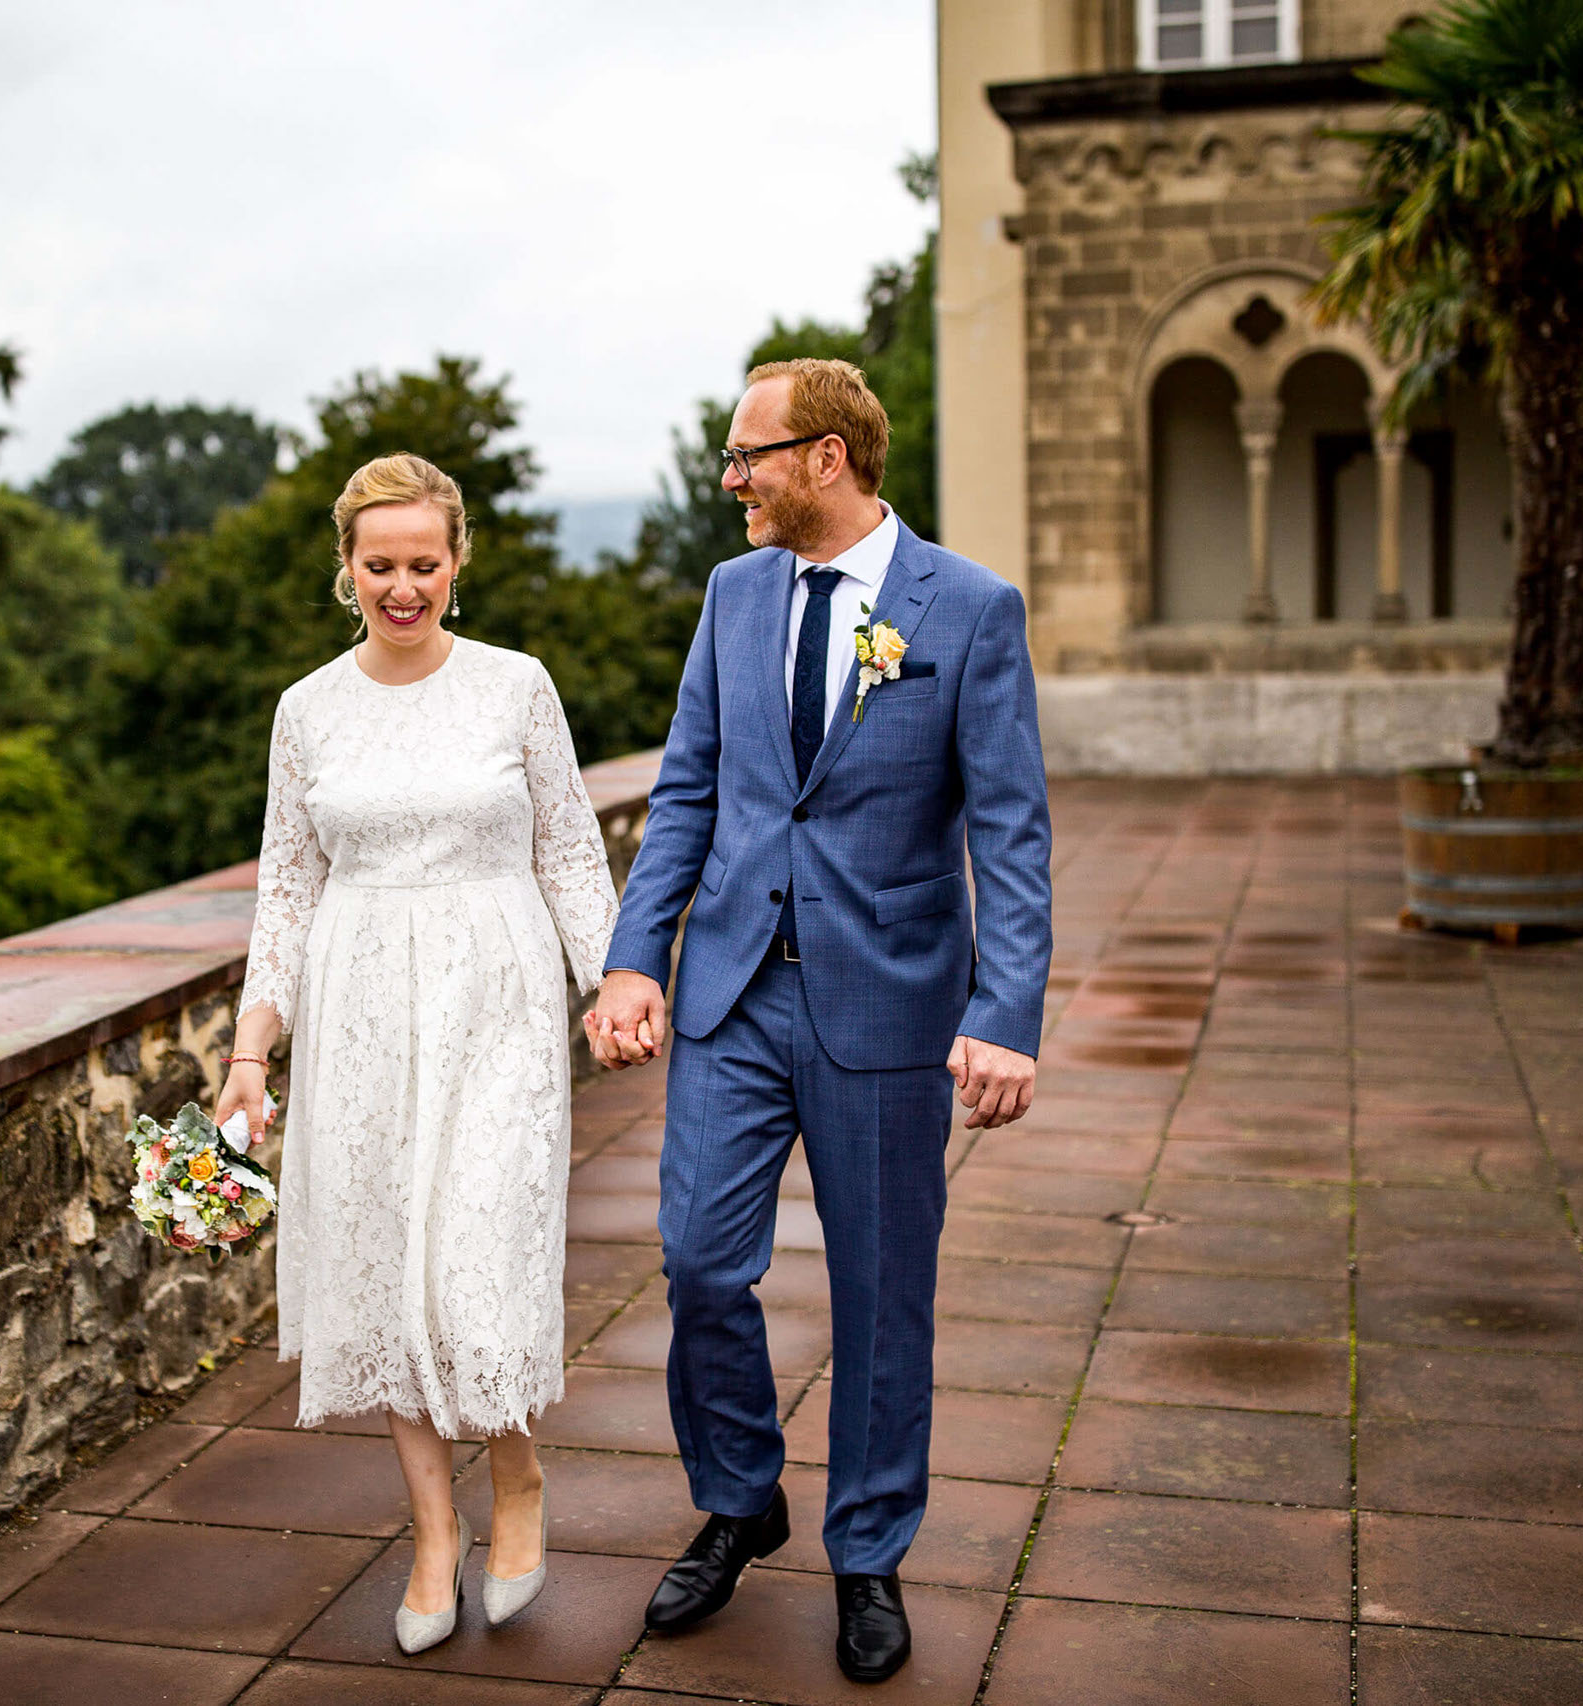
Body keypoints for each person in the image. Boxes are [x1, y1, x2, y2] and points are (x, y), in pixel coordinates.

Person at [586, 358, 1051, 1684]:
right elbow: (688, 789)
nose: (729, 478)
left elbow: (1011, 833)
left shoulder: (965, 610)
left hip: (892, 1002)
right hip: (734, 988)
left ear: (828, 457)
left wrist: (1006, 1011)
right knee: (696, 1257)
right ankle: (741, 1493)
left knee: (883, 1288)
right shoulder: (734, 597)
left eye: (751, 455)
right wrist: (636, 960)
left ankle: (868, 1550)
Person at [215, 453, 619, 1655]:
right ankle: (434, 1528)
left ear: (458, 563)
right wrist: (251, 1050)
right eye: (379, 564)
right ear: (346, 568)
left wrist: (615, 987)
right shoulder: (307, 710)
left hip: (496, 1002)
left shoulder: (517, 687)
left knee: (475, 1258)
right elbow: (286, 889)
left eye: (423, 563)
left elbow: (570, 855)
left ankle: (520, 1477)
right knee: (387, 1266)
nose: (403, 585)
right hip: (358, 1014)